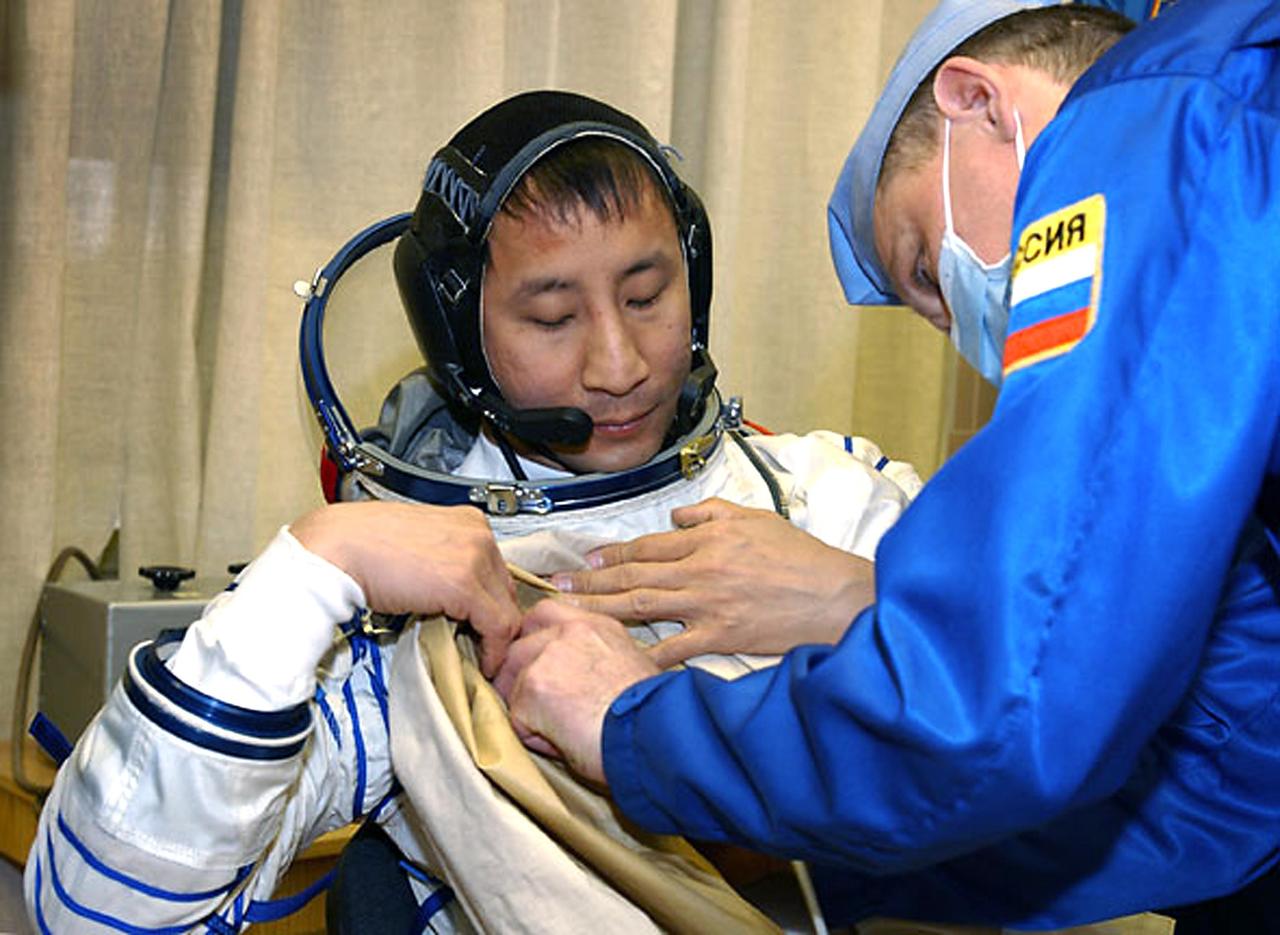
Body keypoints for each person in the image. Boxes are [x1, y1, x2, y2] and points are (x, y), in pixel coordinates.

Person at [24, 90, 918, 932]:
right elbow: (96, 910)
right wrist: (310, 569)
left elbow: (1042, 747)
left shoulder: (825, 497)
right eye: (553, 317)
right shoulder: (409, 609)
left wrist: (860, 594)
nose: (620, 363)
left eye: (648, 296)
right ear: (461, 336)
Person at [495, 0, 1280, 929]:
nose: (966, 329)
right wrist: (808, 867)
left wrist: (636, 722)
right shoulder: (1239, 103)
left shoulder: (1164, 114)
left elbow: (1006, 705)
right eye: (552, 317)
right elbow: (1230, 773)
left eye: (922, 269)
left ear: (976, 100)